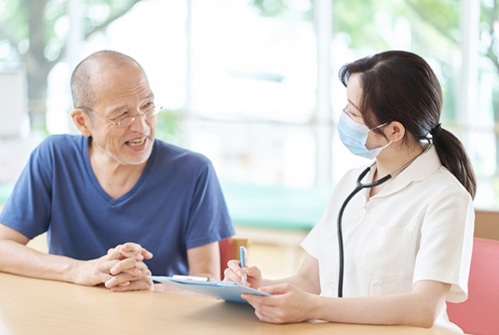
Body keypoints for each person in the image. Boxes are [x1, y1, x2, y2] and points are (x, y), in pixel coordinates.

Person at [224, 50, 475, 333]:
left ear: (394, 131)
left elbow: (423, 309)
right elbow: (309, 280)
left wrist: (312, 307)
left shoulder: (446, 198)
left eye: (354, 113)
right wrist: (257, 287)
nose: (344, 119)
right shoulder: (350, 183)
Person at [0, 50, 235, 292]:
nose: (142, 126)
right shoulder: (54, 158)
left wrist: (151, 287)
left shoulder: (194, 172)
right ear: (83, 122)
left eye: (147, 106)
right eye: (122, 116)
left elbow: (207, 280)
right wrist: (81, 270)